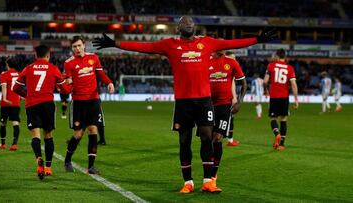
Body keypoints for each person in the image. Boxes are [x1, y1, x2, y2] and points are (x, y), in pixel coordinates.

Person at [93, 16, 276, 193]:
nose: (188, 23)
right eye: (184, 22)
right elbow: (144, 47)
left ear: (195, 27)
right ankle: (188, 182)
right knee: (184, 141)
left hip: (204, 101)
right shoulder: (169, 45)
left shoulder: (208, 43)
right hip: (183, 102)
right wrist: (116, 44)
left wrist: (258, 39)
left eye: (191, 21)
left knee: (206, 137)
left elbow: (233, 43)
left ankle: (208, 182)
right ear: (178, 28)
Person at [13, 45, 70, 180]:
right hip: (47, 104)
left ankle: (39, 158)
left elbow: (16, 88)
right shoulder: (54, 69)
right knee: (48, 136)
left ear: (35, 55)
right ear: (48, 55)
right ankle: (48, 167)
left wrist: (27, 95)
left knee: (35, 136)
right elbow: (66, 91)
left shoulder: (28, 68)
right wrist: (69, 84)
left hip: (32, 104)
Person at [63, 36, 114, 174]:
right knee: (78, 134)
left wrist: (109, 82)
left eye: (79, 45)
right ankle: (67, 160)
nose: (77, 49)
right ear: (72, 48)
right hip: (79, 102)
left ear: (84, 45)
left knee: (93, 130)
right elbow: (68, 80)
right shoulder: (69, 63)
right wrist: (67, 83)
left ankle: (91, 167)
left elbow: (101, 74)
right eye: (74, 47)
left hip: (93, 100)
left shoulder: (94, 58)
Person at [209, 50, 246, 183]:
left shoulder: (231, 63)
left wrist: (238, 101)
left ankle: (213, 175)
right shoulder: (207, 61)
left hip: (224, 105)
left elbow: (242, 83)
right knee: (207, 139)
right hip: (207, 105)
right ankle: (208, 170)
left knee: (218, 138)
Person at [263, 49, 298, 151]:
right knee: (283, 119)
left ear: (277, 56)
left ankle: (276, 133)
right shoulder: (290, 68)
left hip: (274, 97)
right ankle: (282, 144)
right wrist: (296, 99)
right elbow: (294, 85)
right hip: (284, 97)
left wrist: (265, 90)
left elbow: (265, 81)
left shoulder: (271, 66)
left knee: (273, 119)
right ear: (284, 56)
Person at [0, 57, 21, 151]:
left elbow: (4, 87)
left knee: (3, 123)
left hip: (5, 103)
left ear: (7, 65)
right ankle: (14, 144)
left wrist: (4, 98)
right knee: (15, 123)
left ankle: (3, 144)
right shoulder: (19, 74)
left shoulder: (4, 74)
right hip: (15, 102)